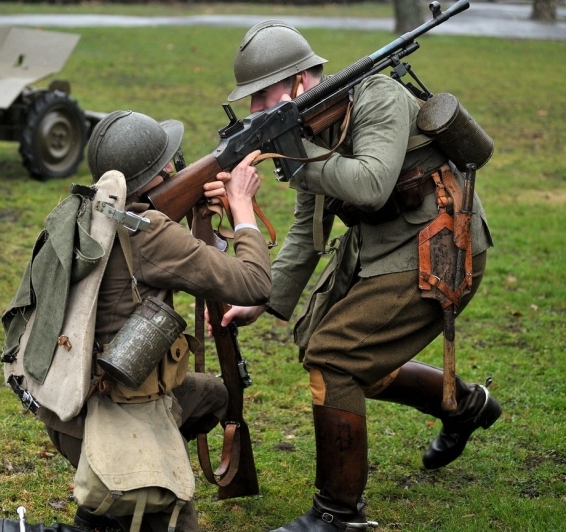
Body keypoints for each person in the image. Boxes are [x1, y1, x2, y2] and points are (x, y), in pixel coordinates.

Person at [219, 20, 502, 531]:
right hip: (387, 248)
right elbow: (307, 231)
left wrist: (297, 158)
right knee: (329, 347)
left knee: (336, 357)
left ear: (299, 81)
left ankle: (338, 513)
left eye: (262, 94)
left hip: (442, 248)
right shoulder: (305, 133)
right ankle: (463, 406)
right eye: (251, 99)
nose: (255, 108)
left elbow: (371, 184)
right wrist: (262, 297)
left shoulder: (377, 97)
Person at [36, 110, 272, 532]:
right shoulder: (151, 233)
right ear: (161, 172)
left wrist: (201, 220)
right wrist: (241, 208)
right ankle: (118, 487)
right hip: (111, 412)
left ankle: (109, 504)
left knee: (211, 396)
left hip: (64, 406)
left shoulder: (90, 211)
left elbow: (191, 263)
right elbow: (254, 284)